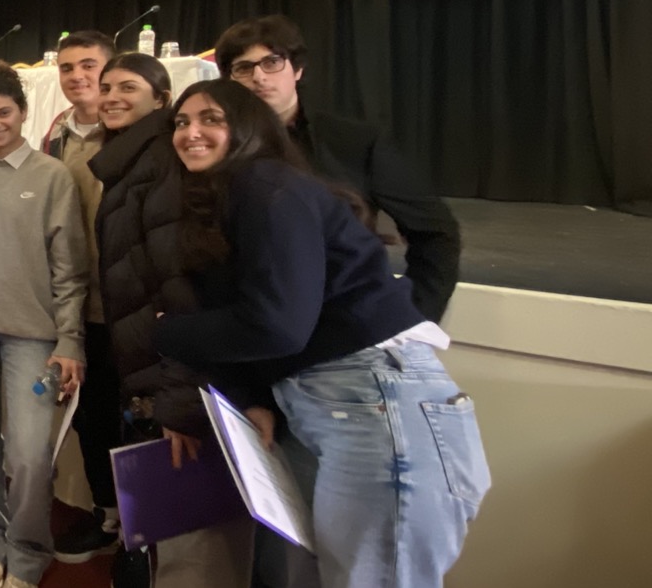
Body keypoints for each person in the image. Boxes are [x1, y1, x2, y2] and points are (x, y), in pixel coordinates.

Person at [154, 79, 490, 588]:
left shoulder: (266, 185)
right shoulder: (236, 194)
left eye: (211, 119)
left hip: (377, 403)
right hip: (341, 404)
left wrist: (168, 333)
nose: (190, 132)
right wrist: (253, 396)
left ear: (248, 128)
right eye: (181, 122)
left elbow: (276, 325)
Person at [88, 55, 255, 587]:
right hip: (151, 366)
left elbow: (181, 286)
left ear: (160, 99)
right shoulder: (131, 160)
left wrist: (179, 400)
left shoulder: (160, 161)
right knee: (170, 543)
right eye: (106, 87)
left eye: (128, 87)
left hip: (174, 378)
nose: (111, 96)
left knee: (193, 553)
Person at [214, 15, 461, 322]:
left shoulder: (356, 142)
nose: (259, 77)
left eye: (272, 62)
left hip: (340, 321)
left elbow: (436, 234)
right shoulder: (211, 147)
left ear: (298, 69)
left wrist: (413, 317)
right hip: (245, 321)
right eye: (243, 68)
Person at [0, 65, 88, 588]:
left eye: (3, 113)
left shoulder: (52, 176)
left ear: (24, 113)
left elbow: (70, 269)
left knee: (29, 454)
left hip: (34, 337)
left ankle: (29, 552)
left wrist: (70, 339)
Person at [39, 30, 128, 565]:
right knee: (89, 418)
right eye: (67, 67)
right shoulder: (57, 135)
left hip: (129, 307)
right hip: (78, 306)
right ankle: (107, 515)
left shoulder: (135, 134)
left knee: (132, 420)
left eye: (88, 65)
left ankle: (143, 528)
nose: (77, 76)